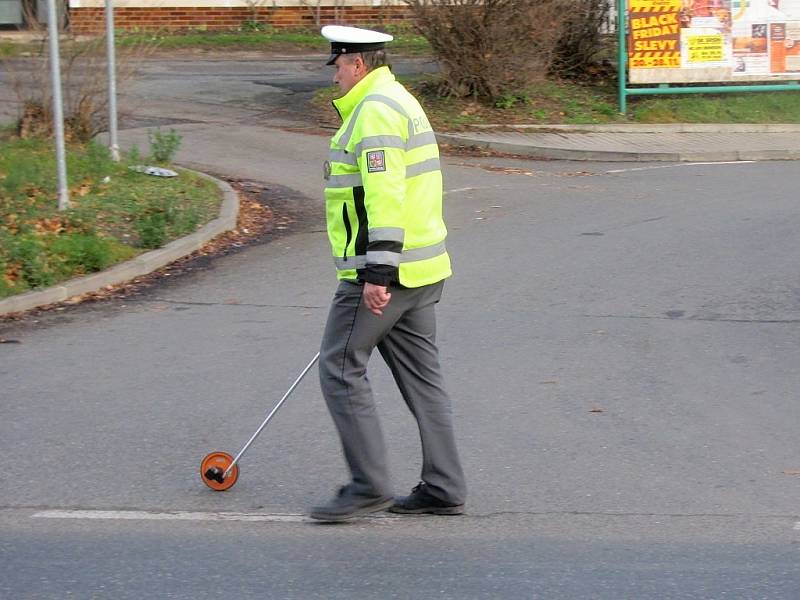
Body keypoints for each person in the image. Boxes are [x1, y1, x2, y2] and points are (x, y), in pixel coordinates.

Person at [310, 25, 467, 522]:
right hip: (423, 268)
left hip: (386, 274)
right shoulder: (400, 98)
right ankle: (444, 485)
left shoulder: (374, 110)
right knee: (424, 380)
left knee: (339, 368)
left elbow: (383, 195)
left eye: (336, 65)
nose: (334, 75)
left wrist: (377, 271)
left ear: (357, 64)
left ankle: (367, 486)